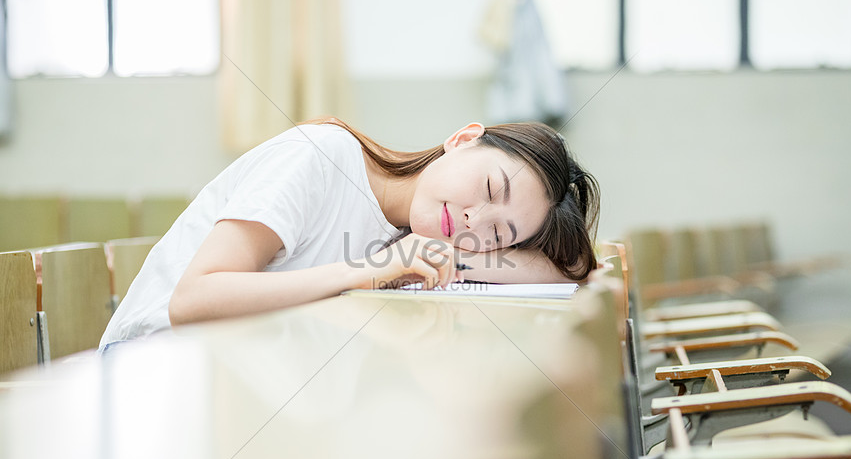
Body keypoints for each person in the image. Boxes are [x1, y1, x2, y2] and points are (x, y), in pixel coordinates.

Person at [99, 117, 599, 349]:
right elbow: (190, 300)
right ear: (463, 140)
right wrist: (372, 271)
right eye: (490, 187)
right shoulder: (321, 155)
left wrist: (450, 257)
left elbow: (567, 271)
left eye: (496, 234)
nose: (473, 221)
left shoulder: (414, 238)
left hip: (229, 378)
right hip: (151, 364)